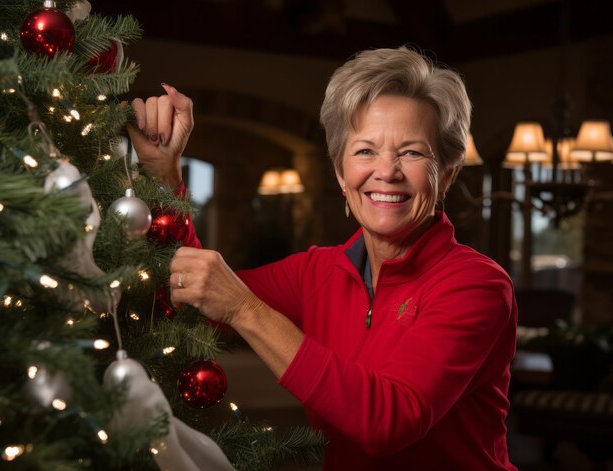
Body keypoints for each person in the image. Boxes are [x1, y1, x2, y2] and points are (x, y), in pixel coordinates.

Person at [128, 46, 518, 470]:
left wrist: (247, 310)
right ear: (339, 172)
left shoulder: (476, 285)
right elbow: (201, 298)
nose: (386, 172)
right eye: (365, 151)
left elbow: (385, 424)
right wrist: (165, 177)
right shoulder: (317, 271)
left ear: (447, 173)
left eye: (412, 152)